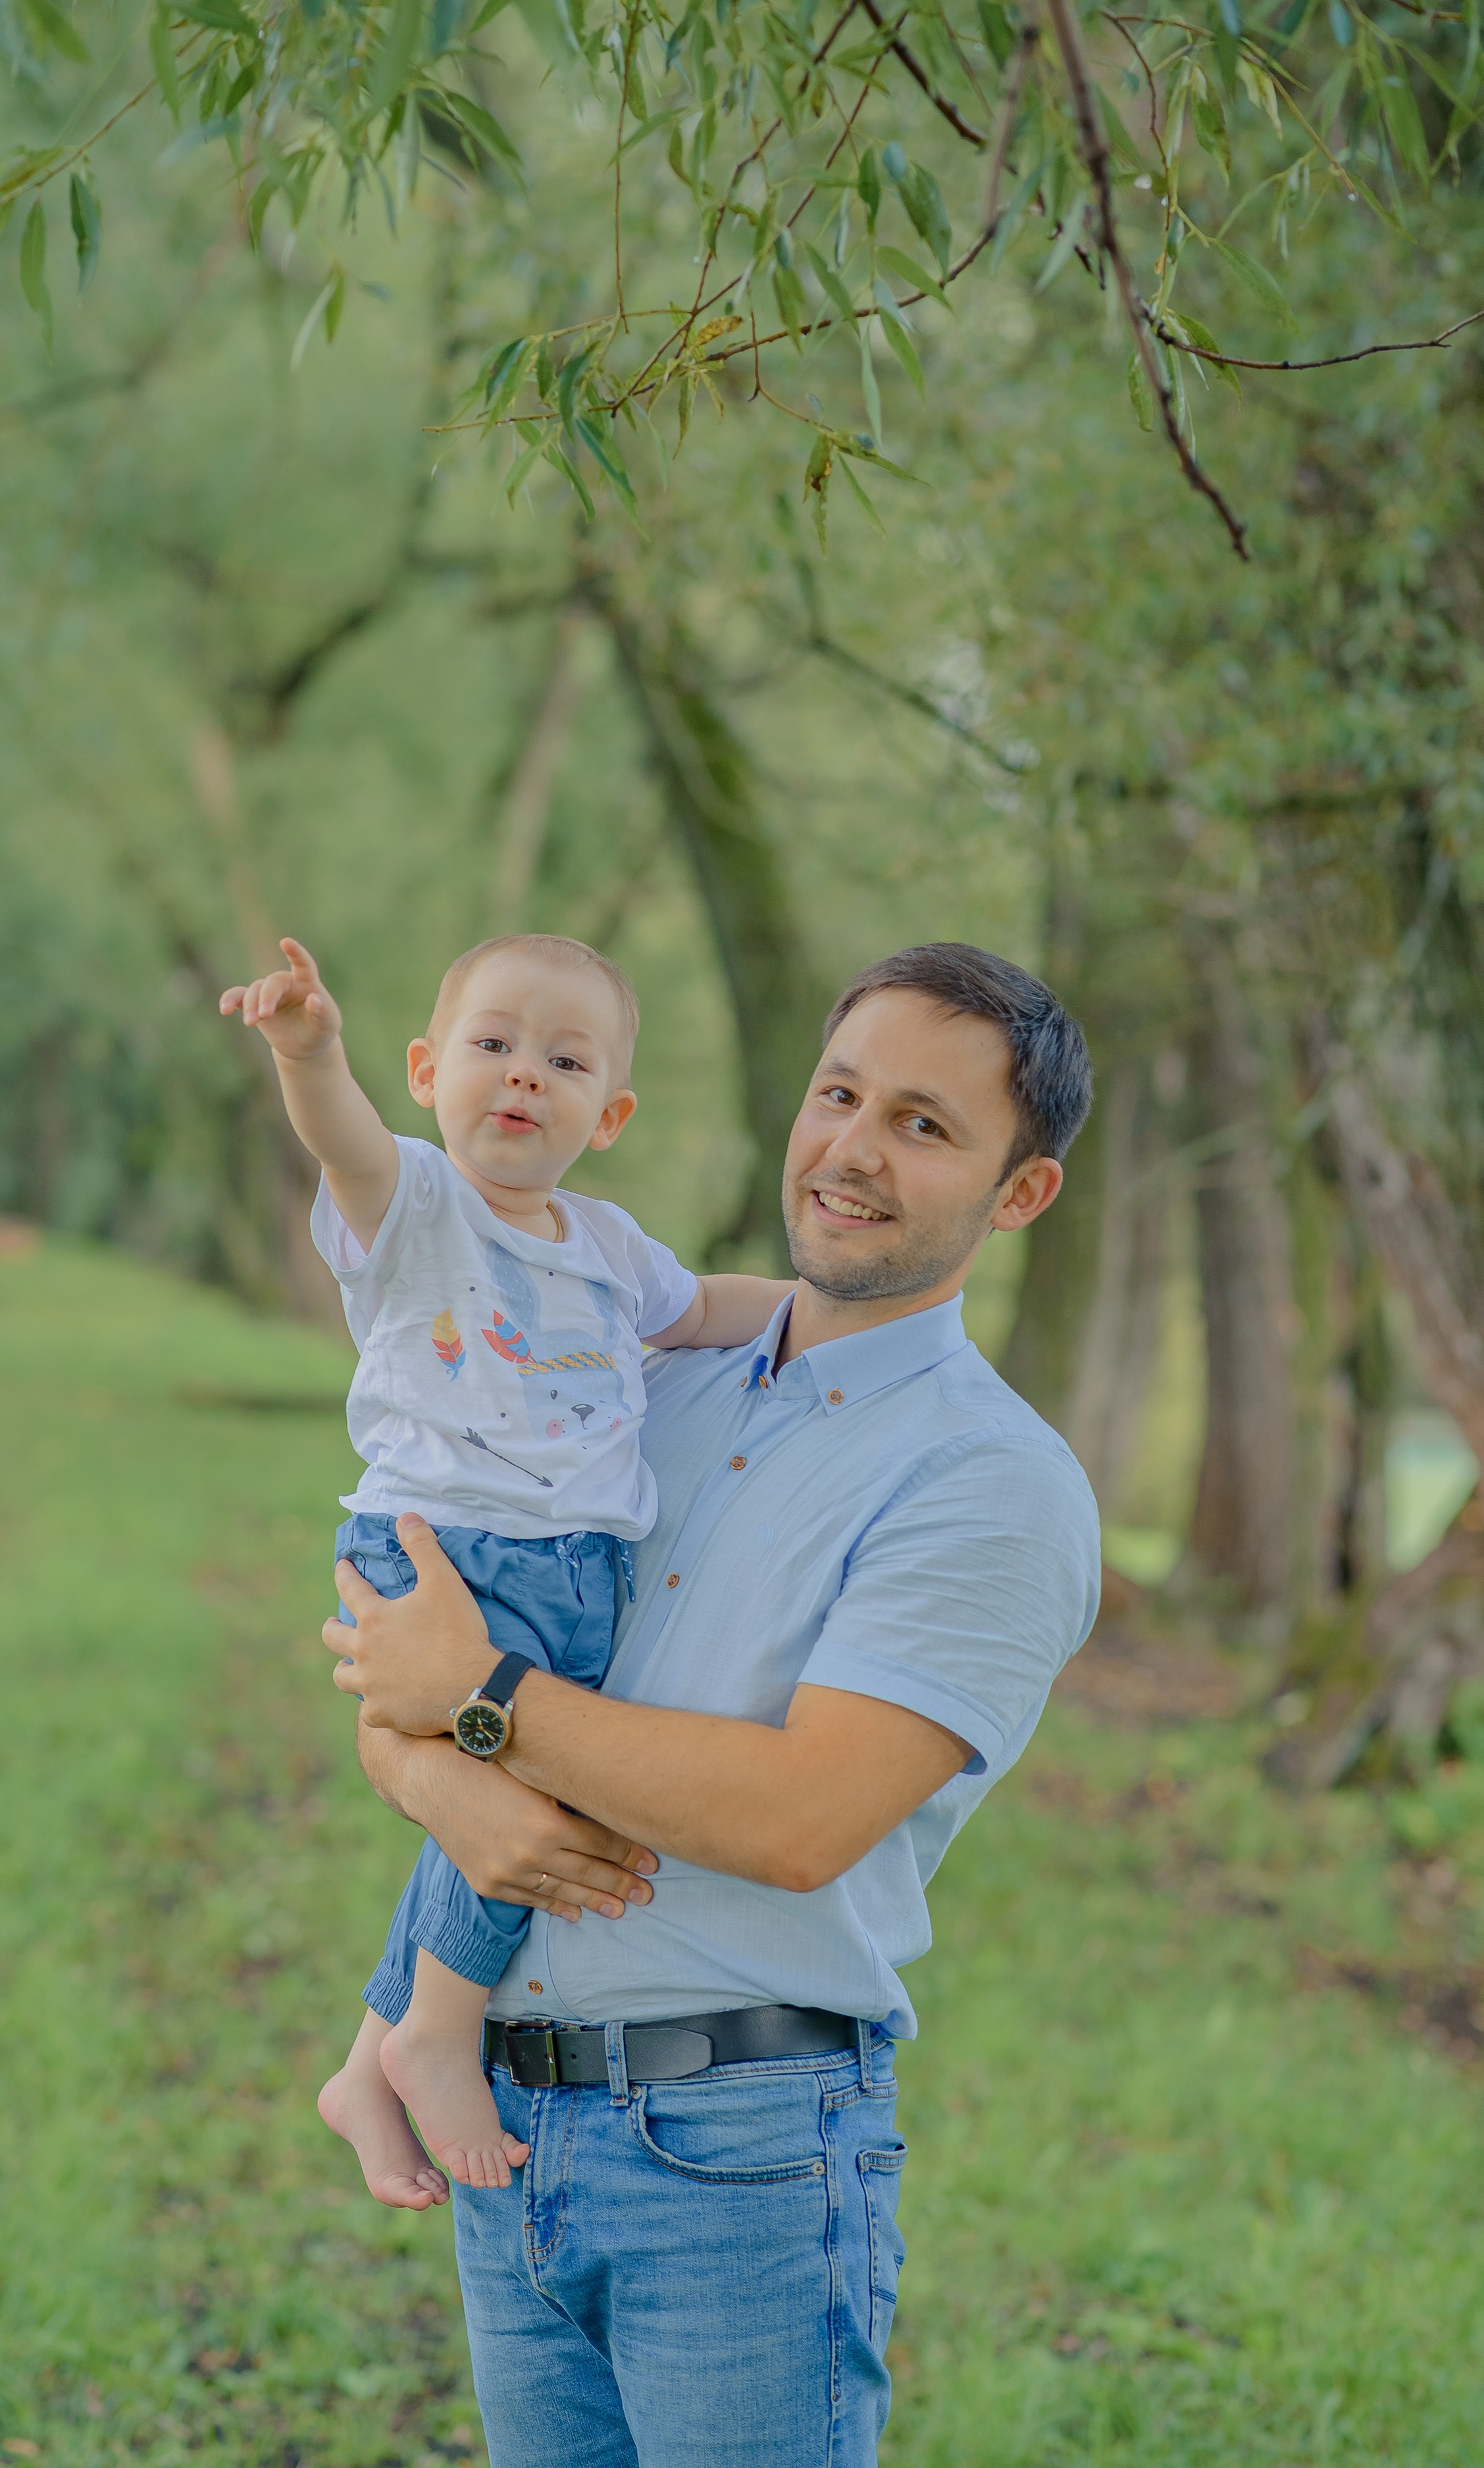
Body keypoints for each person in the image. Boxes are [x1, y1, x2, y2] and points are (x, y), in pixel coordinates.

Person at [324, 942, 1101, 2468]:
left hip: (734, 2151)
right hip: (515, 2120)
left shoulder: (990, 1481)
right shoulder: (629, 1380)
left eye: (925, 1125)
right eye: (838, 1095)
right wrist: (428, 1765)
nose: (854, 1151)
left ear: (1017, 1195)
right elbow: (397, 1658)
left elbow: (802, 1816)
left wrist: (478, 1706)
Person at [220, 933, 791, 2203]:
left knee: (526, 1785)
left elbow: (701, 1312)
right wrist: (312, 1052)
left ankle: (377, 2056)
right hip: (447, 1554)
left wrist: (826, 1313)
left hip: (566, 1565)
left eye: (565, 1059)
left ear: (611, 1112)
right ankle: (432, 2034)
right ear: (427, 1070)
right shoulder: (417, 1202)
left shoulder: (610, 1245)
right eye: (491, 1045)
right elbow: (345, 1144)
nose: (523, 1075)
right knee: (534, 1789)